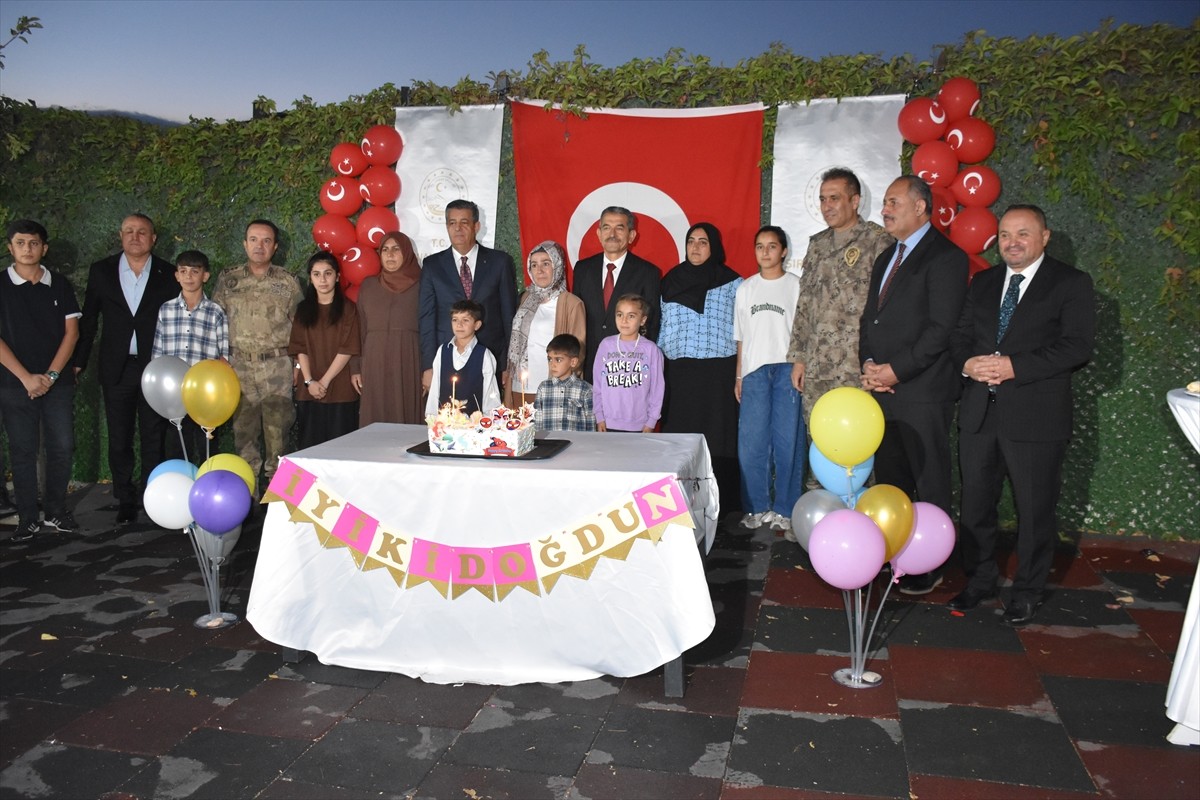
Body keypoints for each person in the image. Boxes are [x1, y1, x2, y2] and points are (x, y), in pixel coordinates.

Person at [949, 205, 1095, 626]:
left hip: (1036, 417)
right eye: (1006, 235)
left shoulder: (1070, 283)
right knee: (976, 505)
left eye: (1023, 234)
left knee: (1035, 511)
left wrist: (1016, 366)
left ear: (1045, 237)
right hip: (979, 411)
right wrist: (968, 365)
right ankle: (980, 580)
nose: (1012, 243)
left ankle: (1028, 591)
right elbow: (959, 336)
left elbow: (1077, 346)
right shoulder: (984, 281)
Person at [859, 176, 968, 594]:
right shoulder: (886, 256)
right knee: (892, 481)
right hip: (882, 391)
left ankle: (930, 561)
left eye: (893, 202)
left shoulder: (946, 258)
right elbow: (872, 321)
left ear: (921, 207)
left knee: (930, 479)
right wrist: (869, 365)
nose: (885, 210)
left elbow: (942, 329)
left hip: (923, 390)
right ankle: (895, 554)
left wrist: (896, 370)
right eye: (885, 203)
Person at [74, 213, 178, 525]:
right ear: (120, 236)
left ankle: (151, 495)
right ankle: (125, 497)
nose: (135, 237)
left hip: (154, 368)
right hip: (116, 367)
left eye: (142, 232)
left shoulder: (168, 273)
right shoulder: (102, 271)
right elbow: (90, 319)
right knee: (118, 437)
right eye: (129, 231)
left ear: (153, 238)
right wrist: (78, 361)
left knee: (153, 434)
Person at [788, 169, 894, 428]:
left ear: (855, 201)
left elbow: (890, 308)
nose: (827, 206)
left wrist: (884, 364)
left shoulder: (878, 241)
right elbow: (805, 304)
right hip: (816, 369)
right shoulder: (817, 244)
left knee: (858, 448)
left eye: (834, 198)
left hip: (858, 369)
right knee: (821, 444)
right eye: (823, 199)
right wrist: (799, 358)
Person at [0, 220, 81, 540]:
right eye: (20, 243)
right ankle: (28, 518)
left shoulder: (59, 284)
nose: (27, 249)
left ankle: (57, 511)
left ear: (44, 248)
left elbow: (71, 334)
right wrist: (26, 378)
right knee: (22, 450)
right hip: (13, 384)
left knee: (61, 446)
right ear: (10, 248)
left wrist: (49, 377)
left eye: (33, 243)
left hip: (55, 384)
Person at [658, 222, 743, 509]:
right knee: (680, 442)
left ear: (714, 247)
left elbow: (742, 330)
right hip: (678, 376)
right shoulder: (669, 281)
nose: (695, 247)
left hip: (719, 375)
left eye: (703, 242)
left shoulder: (734, 283)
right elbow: (661, 328)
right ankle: (677, 505)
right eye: (691, 241)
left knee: (719, 441)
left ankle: (724, 507)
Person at [213, 220, 303, 487]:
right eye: (253, 239)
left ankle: (276, 497)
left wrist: (298, 366)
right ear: (245, 244)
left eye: (266, 241)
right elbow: (216, 321)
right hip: (238, 368)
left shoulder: (287, 282)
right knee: (244, 434)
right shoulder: (228, 280)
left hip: (277, 368)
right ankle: (246, 493)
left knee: (278, 435)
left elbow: (301, 327)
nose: (259, 246)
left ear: (275, 247)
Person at [734, 226, 804, 533]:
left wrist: (800, 364)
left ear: (784, 251)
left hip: (787, 370)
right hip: (754, 373)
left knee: (788, 441)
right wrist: (739, 375)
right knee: (751, 443)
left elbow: (803, 332)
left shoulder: (796, 286)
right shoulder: (745, 289)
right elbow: (741, 338)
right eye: (760, 246)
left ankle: (786, 509)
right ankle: (756, 506)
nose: (765, 252)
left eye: (772, 246)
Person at [418, 200, 516, 396]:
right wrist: (429, 366)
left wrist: (508, 364)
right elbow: (426, 319)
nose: (458, 228)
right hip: (447, 359)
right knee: (451, 420)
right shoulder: (432, 265)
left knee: (487, 419)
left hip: (491, 358)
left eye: (464, 222)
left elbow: (509, 316)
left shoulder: (500, 262)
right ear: (447, 227)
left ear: (476, 226)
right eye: (452, 223)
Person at [150, 250, 230, 464]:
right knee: (176, 444)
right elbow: (158, 352)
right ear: (176, 275)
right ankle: (180, 486)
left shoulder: (216, 312)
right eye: (183, 271)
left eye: (195, 272)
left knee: (206, 444)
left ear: (205, 276)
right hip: (175, 391)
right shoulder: (166, 310)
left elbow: (223, 356)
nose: (188, 277)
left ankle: (207, 486)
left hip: (204, 392)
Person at [572, 206, 662, 379]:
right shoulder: (583, 269)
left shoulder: (647, 272)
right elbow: (576, 317)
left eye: (619, 228)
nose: (612, 234)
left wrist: (638, 361)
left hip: (629, 366)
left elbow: (652, 322)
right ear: (599, 233)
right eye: (606, 228)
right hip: (589, 364)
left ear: (631, 235)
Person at [350, 231, 423, 425]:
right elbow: (360, 329)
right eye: (385, 249)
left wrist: (428, 369)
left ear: (407, 253)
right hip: (374, 361)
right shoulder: (369, 285)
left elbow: (430, 329)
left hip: (409, 360)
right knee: (375, 416)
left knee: (407, 414)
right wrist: (356, 367)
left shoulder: (422, 284)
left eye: (396, 249)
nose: (390, 254)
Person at [289, 253, 361, 449]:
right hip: (309, 391)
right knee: (310, 447)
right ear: (310, 278)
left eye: (328, 273)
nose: (322, 280)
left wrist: (325, 381)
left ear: (337, 277)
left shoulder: (349, 309)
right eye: (316, 274)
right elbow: (299, 348)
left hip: (340, 389)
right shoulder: (303, 310)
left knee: (341, 449)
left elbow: (348, 348)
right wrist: (310, 381)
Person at [506, 241, 586, 407]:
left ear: (557, 266)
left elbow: (579, 350)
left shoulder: (571, 303)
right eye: (534, 265)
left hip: (552, 388)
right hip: (519, 386)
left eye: (546, 264)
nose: (539, 270)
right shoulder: (526, 298)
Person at [592, 294, 664, 433]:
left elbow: (658, 389)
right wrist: (599, 416)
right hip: (608, 423)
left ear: (642, 320)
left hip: (640, 425)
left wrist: (651, 421)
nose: (624, 320)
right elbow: (597, 385)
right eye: (620, 315)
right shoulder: (606, 345)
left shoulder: (651, 349)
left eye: (631, 316)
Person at [425, 299, 501, 417]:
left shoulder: (485, 355)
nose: (459, 325)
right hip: (444, 425)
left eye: (465, 320)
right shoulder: (443, 351)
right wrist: (431, 417)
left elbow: (490, 394)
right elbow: (435, 387)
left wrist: (488, 423)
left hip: (473, 426)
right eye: (455, 320)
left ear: (477, 325)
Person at [535, 334, 595, 432]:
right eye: (549, 359)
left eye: (558, 360)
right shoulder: (543, 388)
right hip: (549, 445)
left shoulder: (586, 389)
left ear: (573, 362)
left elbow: (591, 425)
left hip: (577, 445)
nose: (552, 364)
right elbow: (537, 423)